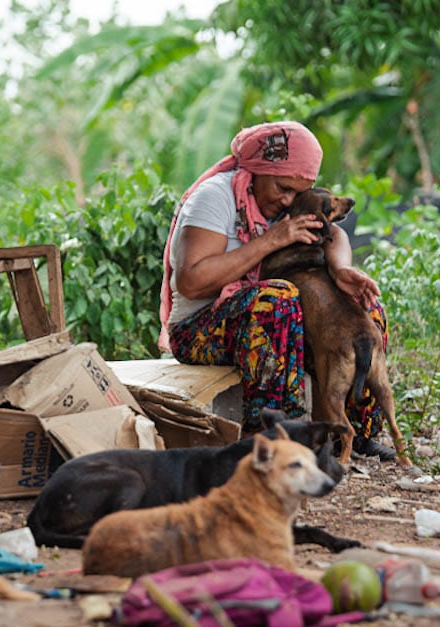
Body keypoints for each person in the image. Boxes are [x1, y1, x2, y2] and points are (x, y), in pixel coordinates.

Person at [158, 120, 397, 460]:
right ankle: (270, 431)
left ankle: (353, 435)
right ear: (258, 169)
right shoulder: (215, 197)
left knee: (366, 311)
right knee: (277, 299)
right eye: (281, 188)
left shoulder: (291, 201)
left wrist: (341, 269)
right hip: (200, 329)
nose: (288, 200)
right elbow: (191, 281)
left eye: (296, 193)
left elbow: (335, 234)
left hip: (283, 325)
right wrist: (272, 241)